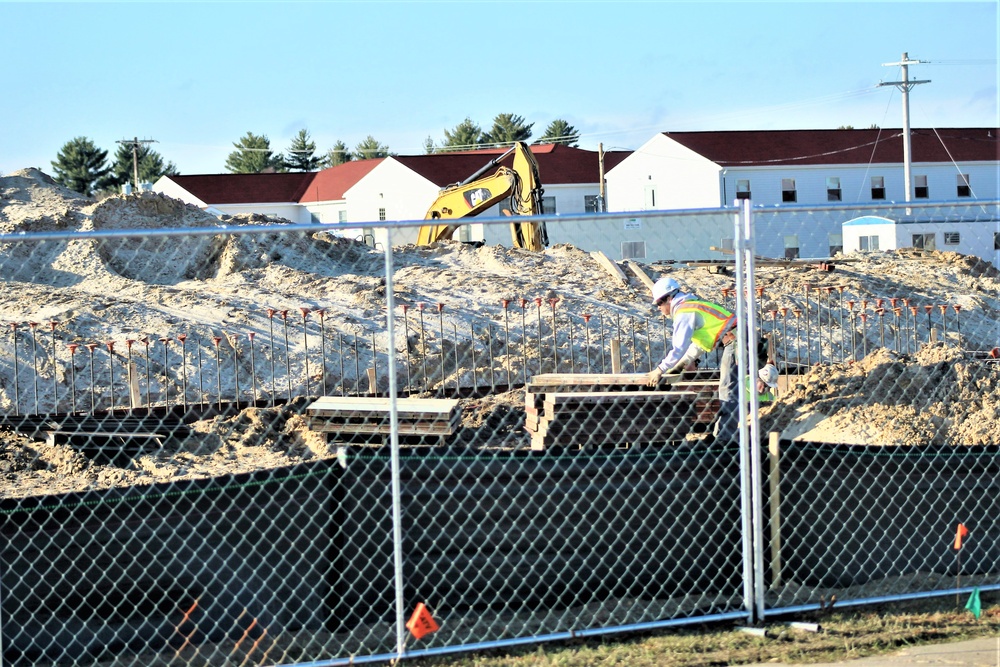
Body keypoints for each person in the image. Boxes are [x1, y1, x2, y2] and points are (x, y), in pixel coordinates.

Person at [645, 276, 735, 384]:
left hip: (736, 340)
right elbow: (700, 344)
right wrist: (684, 361)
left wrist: (660, 369)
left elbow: (679, 347)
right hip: (740, 337)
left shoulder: (684, 312)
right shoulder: (690, 306)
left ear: (669, 298)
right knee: (736, 383)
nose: (658, 307)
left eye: (659, 303)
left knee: (727, 386)